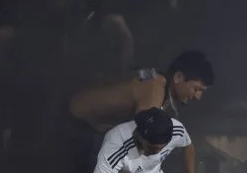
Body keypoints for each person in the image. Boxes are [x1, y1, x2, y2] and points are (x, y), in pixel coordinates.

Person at [69, 50, 215, 132]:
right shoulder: (156, 86)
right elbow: (145, 134)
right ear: (178, 76)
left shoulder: (156, 78)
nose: (198, 97)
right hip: (76, 120)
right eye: (196, 89)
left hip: (87, 121)